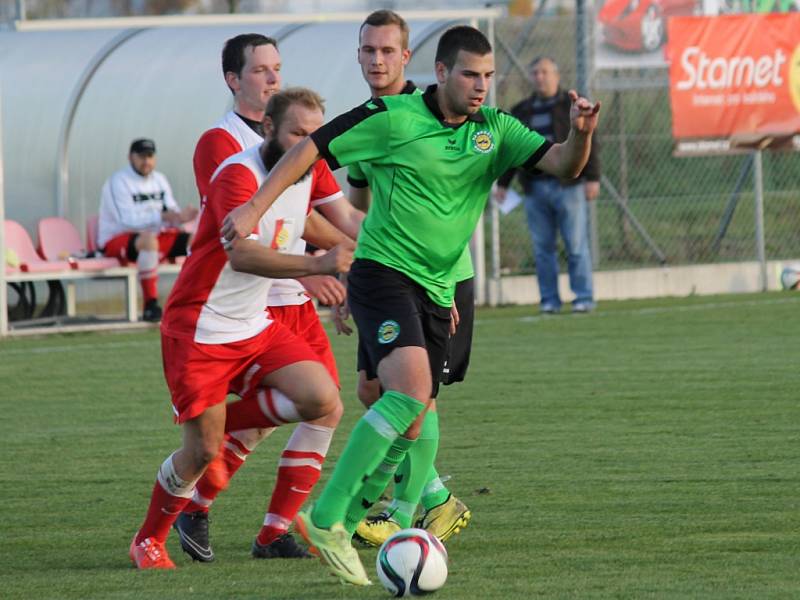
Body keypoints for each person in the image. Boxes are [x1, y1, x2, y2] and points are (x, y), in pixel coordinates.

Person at [222, 25, 600, 586]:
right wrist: (254, 209)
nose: (481, 87)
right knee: (405, 393)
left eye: (489, 77)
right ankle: (336, 516)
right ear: (442, 72)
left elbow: (565, 165)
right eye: (471, 75)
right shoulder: (394, 118)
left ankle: (360, 519)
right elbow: (309, 147)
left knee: (411, 402)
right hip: (382, 274)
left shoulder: (495, 130)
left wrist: (582, 132)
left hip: (439, 287)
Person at [129, 88, 356, 571]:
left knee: (324, 399)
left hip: (254, 326)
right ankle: (148, 538)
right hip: (199, 329)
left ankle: (216, 435)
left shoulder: (305, 170)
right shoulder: (237, 173)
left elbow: (318, 223)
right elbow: (243, 253)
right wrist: (317, 266)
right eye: (298, 133)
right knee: (202, 451)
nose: (308, 144)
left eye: (315, 135)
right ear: (269, 128)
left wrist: (380, 257)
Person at [340, 9, 472, 548]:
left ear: (407, 57)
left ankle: (402, 511)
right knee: (373, 391)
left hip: (438, 276)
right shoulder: (368, 121)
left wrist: (438, 285)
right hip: (385, 276)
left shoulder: (429, 113)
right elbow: (358, 203)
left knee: (417, 396)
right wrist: (355, 279)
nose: (377, 59)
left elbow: (452, 203)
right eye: (369, 50)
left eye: (387, 51)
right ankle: (438, 497)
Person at [495, 56, 600, 314]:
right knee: (543, 249)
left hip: (569, 186)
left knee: (576, 245)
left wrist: (593, 177)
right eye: (535, 73)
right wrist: (503, 183)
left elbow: (589, 141)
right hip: (534, 188)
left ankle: (583, 297)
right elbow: (512, 149)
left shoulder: (572, 104)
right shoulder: (521, 110)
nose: (539, 77)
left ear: (556, 75)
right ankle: (549, 301)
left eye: (544, 72)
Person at [97, 138, 198, 322]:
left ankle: (194, 301)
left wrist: (180, 218)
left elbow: (170, 211)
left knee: (196, 240)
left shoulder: (159, 179)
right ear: (130, 157)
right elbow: (126, 221)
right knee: (149, 242)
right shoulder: (118, 181)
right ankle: (150, 304)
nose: (146, 161)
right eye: (141, 156)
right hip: (117, 239)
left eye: (150, 156)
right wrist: (163, 217)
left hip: (155, 236)